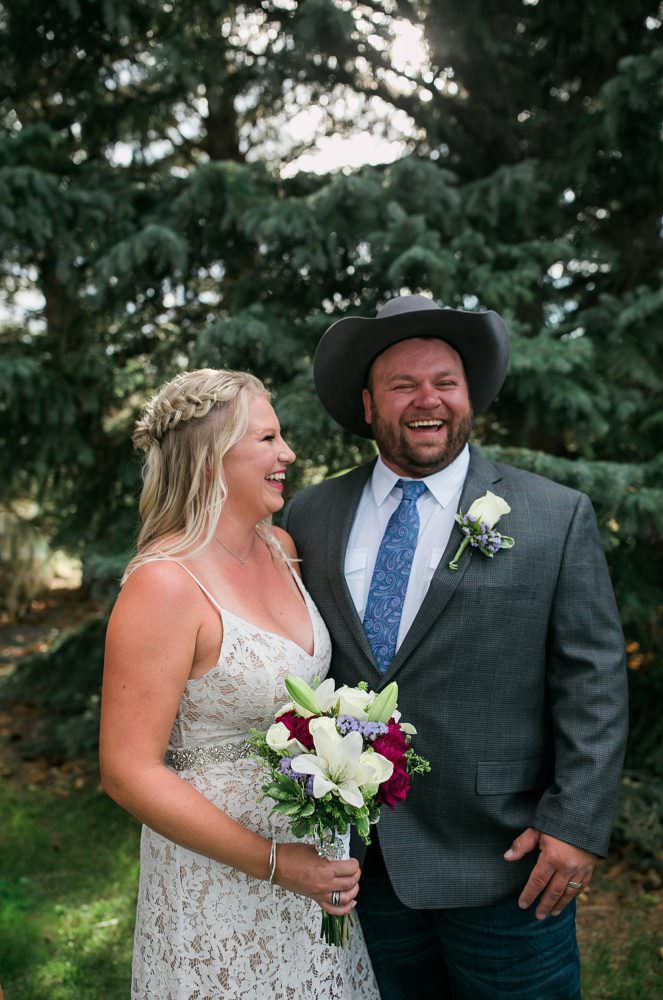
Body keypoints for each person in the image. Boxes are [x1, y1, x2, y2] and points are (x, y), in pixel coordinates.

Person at [284, 294, 628, 1000]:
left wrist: (575, 824)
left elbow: (591, 680)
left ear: (469, 396)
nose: (426, 400)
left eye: (444, 382)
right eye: (402, 385)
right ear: (368, 404)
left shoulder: (552, 516)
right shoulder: (309, 516)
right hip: (356, 867)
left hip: (505, 861)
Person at [99, 368, 380, 999]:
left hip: (313, 863)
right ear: (210, 456)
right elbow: (127, 770)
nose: (289, 454)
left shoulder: (281, 548)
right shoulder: (164, 585)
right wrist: (277, 863)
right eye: (268, 439)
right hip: (217, 875)